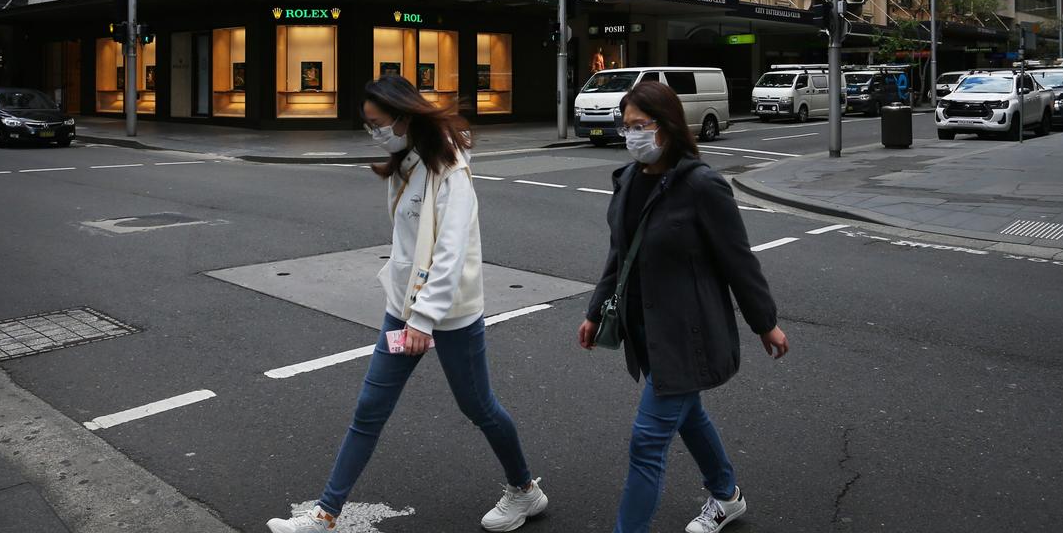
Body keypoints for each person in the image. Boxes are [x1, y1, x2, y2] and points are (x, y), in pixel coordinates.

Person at [267, 76, 547, 533]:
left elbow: (451, 251)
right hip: (404, 312)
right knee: (370, 408)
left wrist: (424, 318)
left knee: (479, 408)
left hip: (448, 315)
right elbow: (407, 244)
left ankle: (524, 490)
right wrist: (406, 309)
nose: (374, 133)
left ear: (403, 116)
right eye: (368, 126)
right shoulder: (405, 164)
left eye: (378, 124)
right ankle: (325, 516)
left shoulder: (450, 169)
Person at [577, 81, 789, 533]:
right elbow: (620, 255)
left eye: (640, 126)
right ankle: (727, 494)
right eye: (626, 125)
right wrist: (595, 311)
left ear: (667, 127)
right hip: (645, 328)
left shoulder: (702, 185)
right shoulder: (630, 180)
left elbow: (738, 260)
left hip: (685, 334)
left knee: (647, 442)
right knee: (688, 414)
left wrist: (764, 323)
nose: (630, 134)